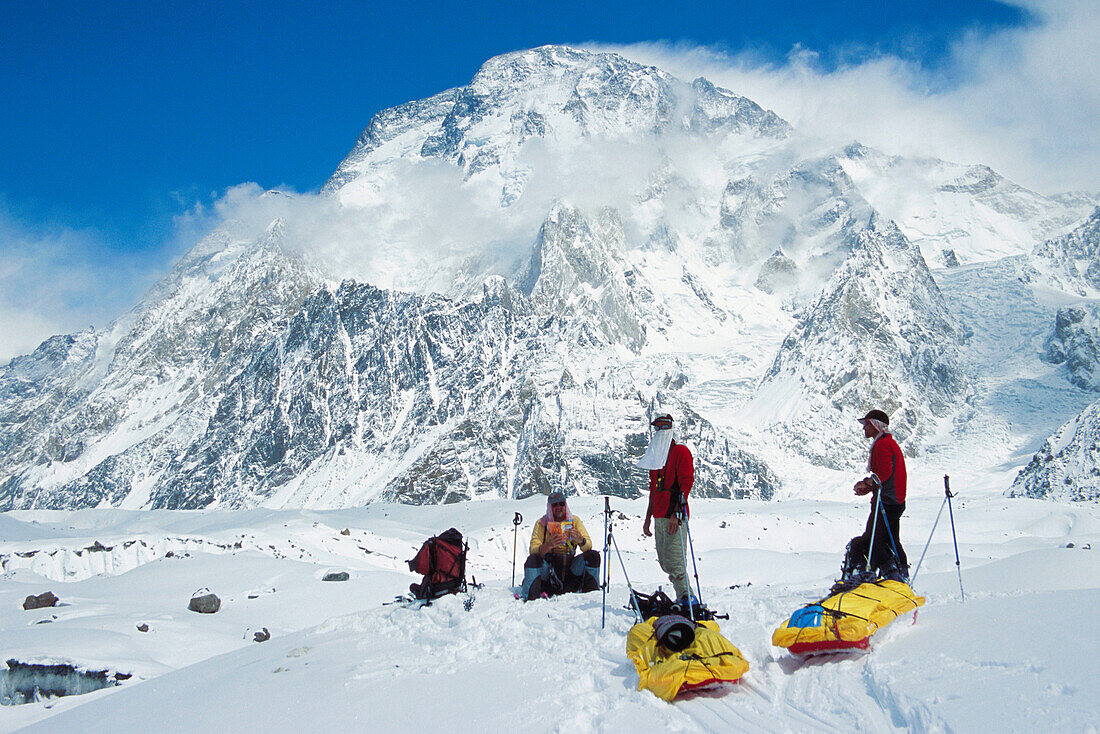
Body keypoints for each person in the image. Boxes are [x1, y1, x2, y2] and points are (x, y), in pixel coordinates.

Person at [842, 409, 910, 584]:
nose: (864, 428)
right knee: (891, 540)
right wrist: (871, 487)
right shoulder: (888, 443)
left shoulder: (882, 445)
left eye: (866, 424)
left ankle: (874, 574)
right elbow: (887, 474)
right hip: (895, 500)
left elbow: (885, 472)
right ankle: (901, 574)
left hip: (886, 502)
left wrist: (867, 483)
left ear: (875, 425)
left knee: (872, 541)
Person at [639, 413, 695, 602]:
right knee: (665, 560)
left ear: (670, 429)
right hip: (659, 515)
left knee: (675, 560)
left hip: (673, 515)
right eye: (657, 427)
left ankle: (687, 597)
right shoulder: (656, 458)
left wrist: (676, 514)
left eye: (663, 427)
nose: (659, 431)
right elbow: (653, 490)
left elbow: (686, 484)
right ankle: (684, 597)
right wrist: (648, 518)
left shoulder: (680, 452)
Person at [519, 491, 600, 600]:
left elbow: (588, 546)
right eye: (554, 504)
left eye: (561, 504)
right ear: (549, 507)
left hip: (570, 567)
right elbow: (533, 550)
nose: (558, 507)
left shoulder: (574, 521)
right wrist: (548, 546)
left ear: (565, 505)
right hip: (549, 569)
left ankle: (592, 595)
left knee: (593, 556)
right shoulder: (542, 523)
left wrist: (581, 541)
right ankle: (531, 596)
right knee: (533, 559)